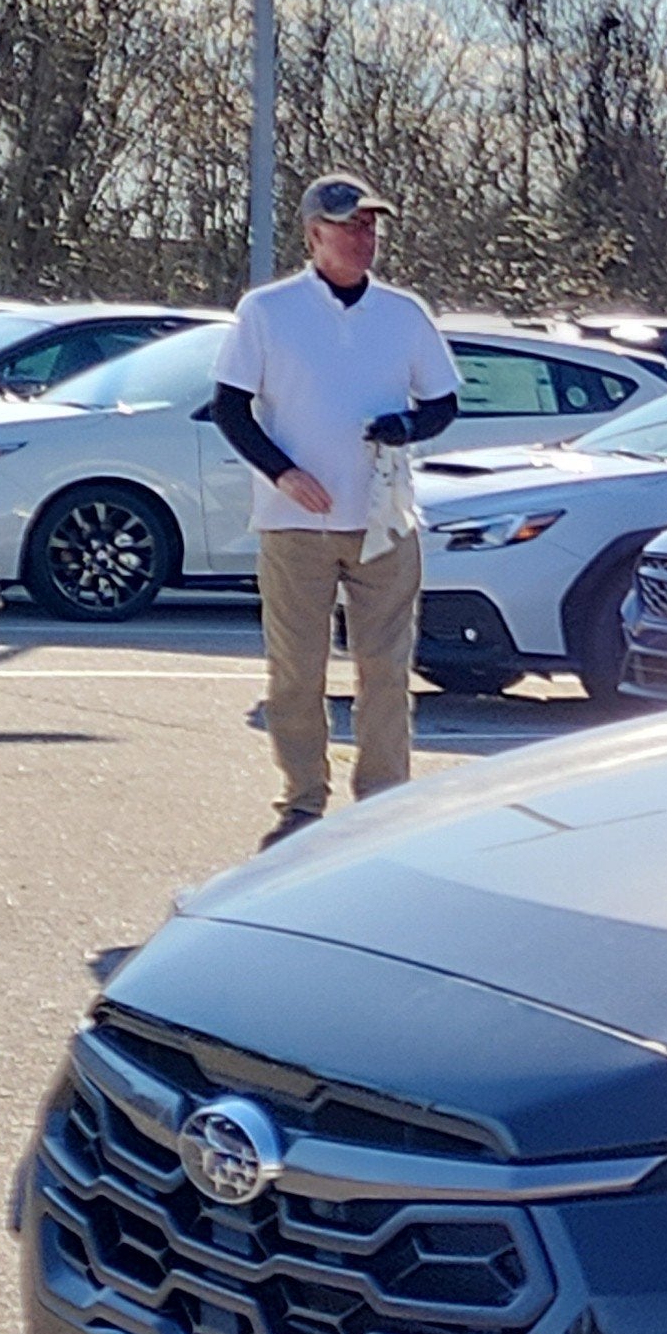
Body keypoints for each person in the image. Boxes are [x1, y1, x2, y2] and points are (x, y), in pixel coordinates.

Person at [209, 173, 460, 849]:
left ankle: (383, 797)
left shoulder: (403, 313)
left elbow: (442, 402)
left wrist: (408, 426)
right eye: (349, 225)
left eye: (370, 225)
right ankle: (302, 799)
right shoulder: (268, 311)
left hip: (382, 516)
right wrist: (282, 472)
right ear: (315, 233)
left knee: (385, 666)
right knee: (298, 668)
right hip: (295, 521)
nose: (363, 237)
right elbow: (229, 407)